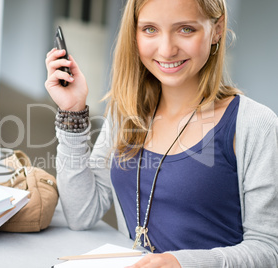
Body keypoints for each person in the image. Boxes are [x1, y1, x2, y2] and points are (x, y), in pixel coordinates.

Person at [45, 0, 278, 267]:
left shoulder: (254, 124)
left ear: (217, 29)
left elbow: (267, 250)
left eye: (186, 29)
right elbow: (81, 212)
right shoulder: (125, 111)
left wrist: (181, 263)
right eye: (150, 29)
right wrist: (72, 112)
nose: (167, 50)